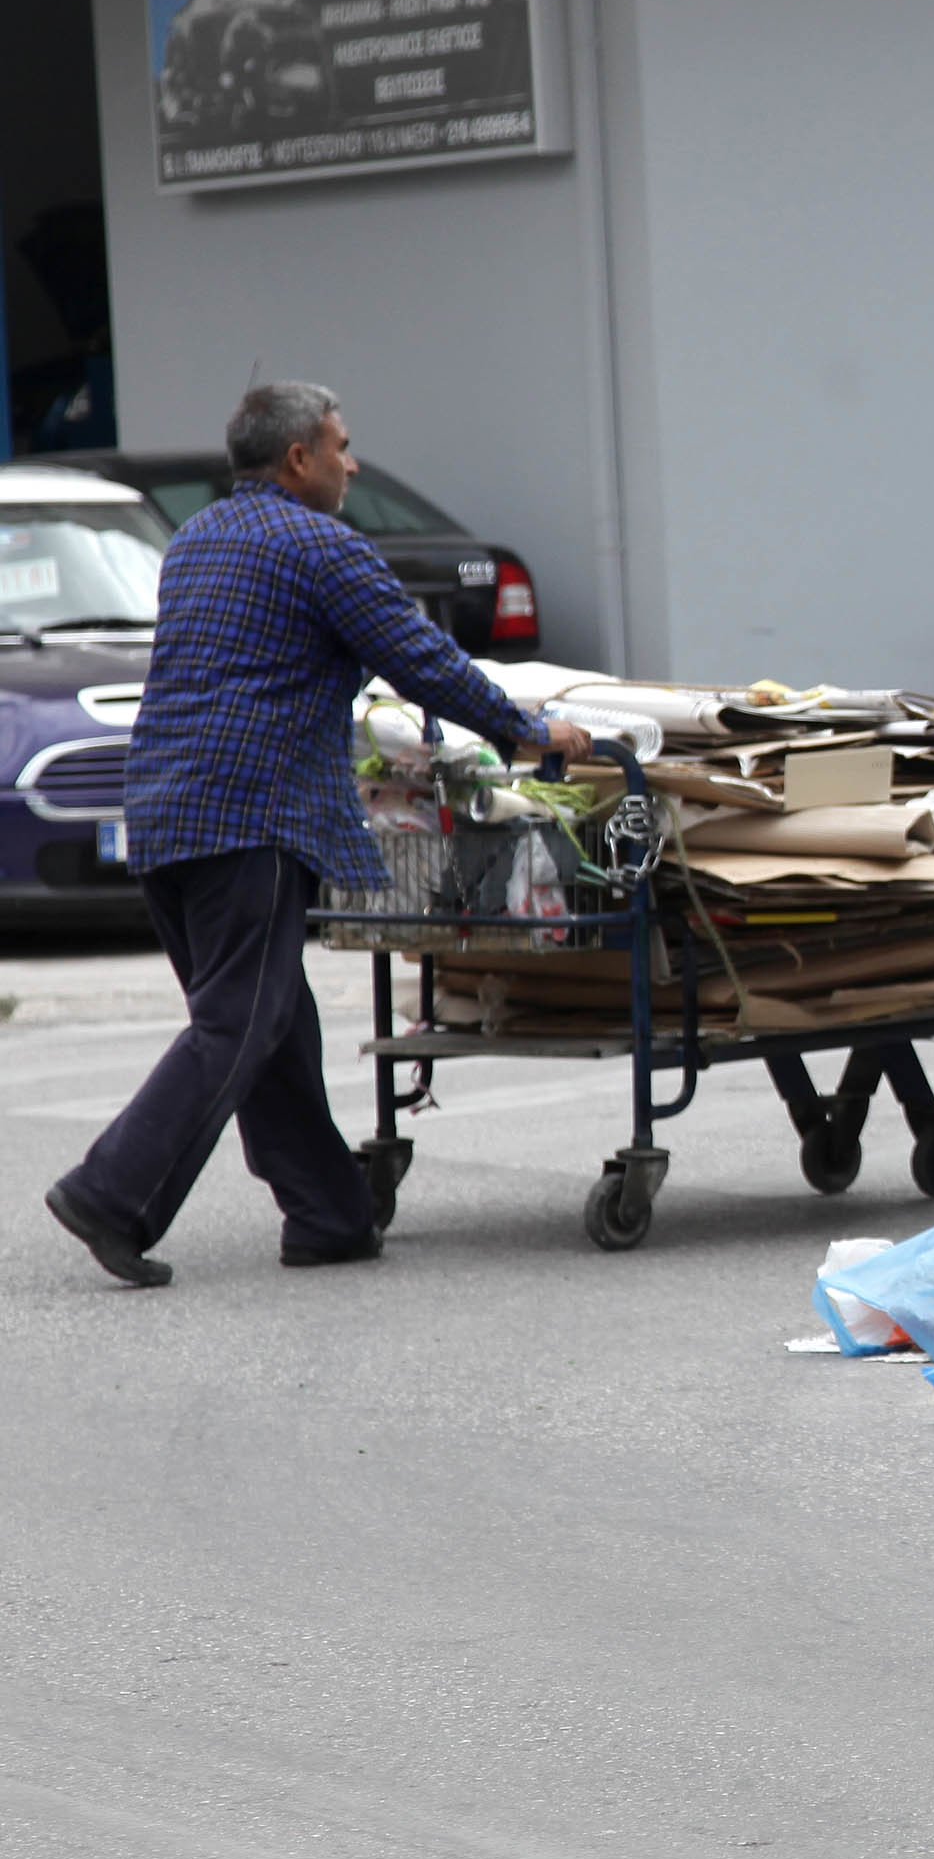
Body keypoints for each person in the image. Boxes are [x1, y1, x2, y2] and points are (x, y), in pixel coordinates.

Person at [44, 382, 589, 1288]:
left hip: (165, 812)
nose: (352, 461)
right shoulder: (321, 546)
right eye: (340, 444)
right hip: (247, 816)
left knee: (272, 1022)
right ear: (298, 458)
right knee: (239, 1022)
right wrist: (528, 731)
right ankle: (112, 1195)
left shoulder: (195, 541)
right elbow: (420, 660)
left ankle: (329, 1214)